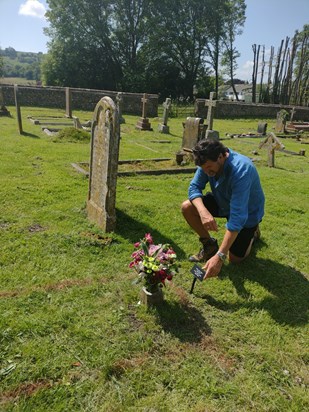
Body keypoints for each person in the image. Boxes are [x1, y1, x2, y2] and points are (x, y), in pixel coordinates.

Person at [181, 139, 265, 279]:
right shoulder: (206, 162)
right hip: (223, 202)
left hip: (247, 213)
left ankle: (253, 233)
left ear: (221, 156)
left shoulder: (241, 170)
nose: (206, 172)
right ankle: (209, 246)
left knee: (235, 260)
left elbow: (238, 217)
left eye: (209, 167)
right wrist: (203, 212)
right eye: (203, 169)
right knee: (187, 207)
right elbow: (194, 187)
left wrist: (220, 256)